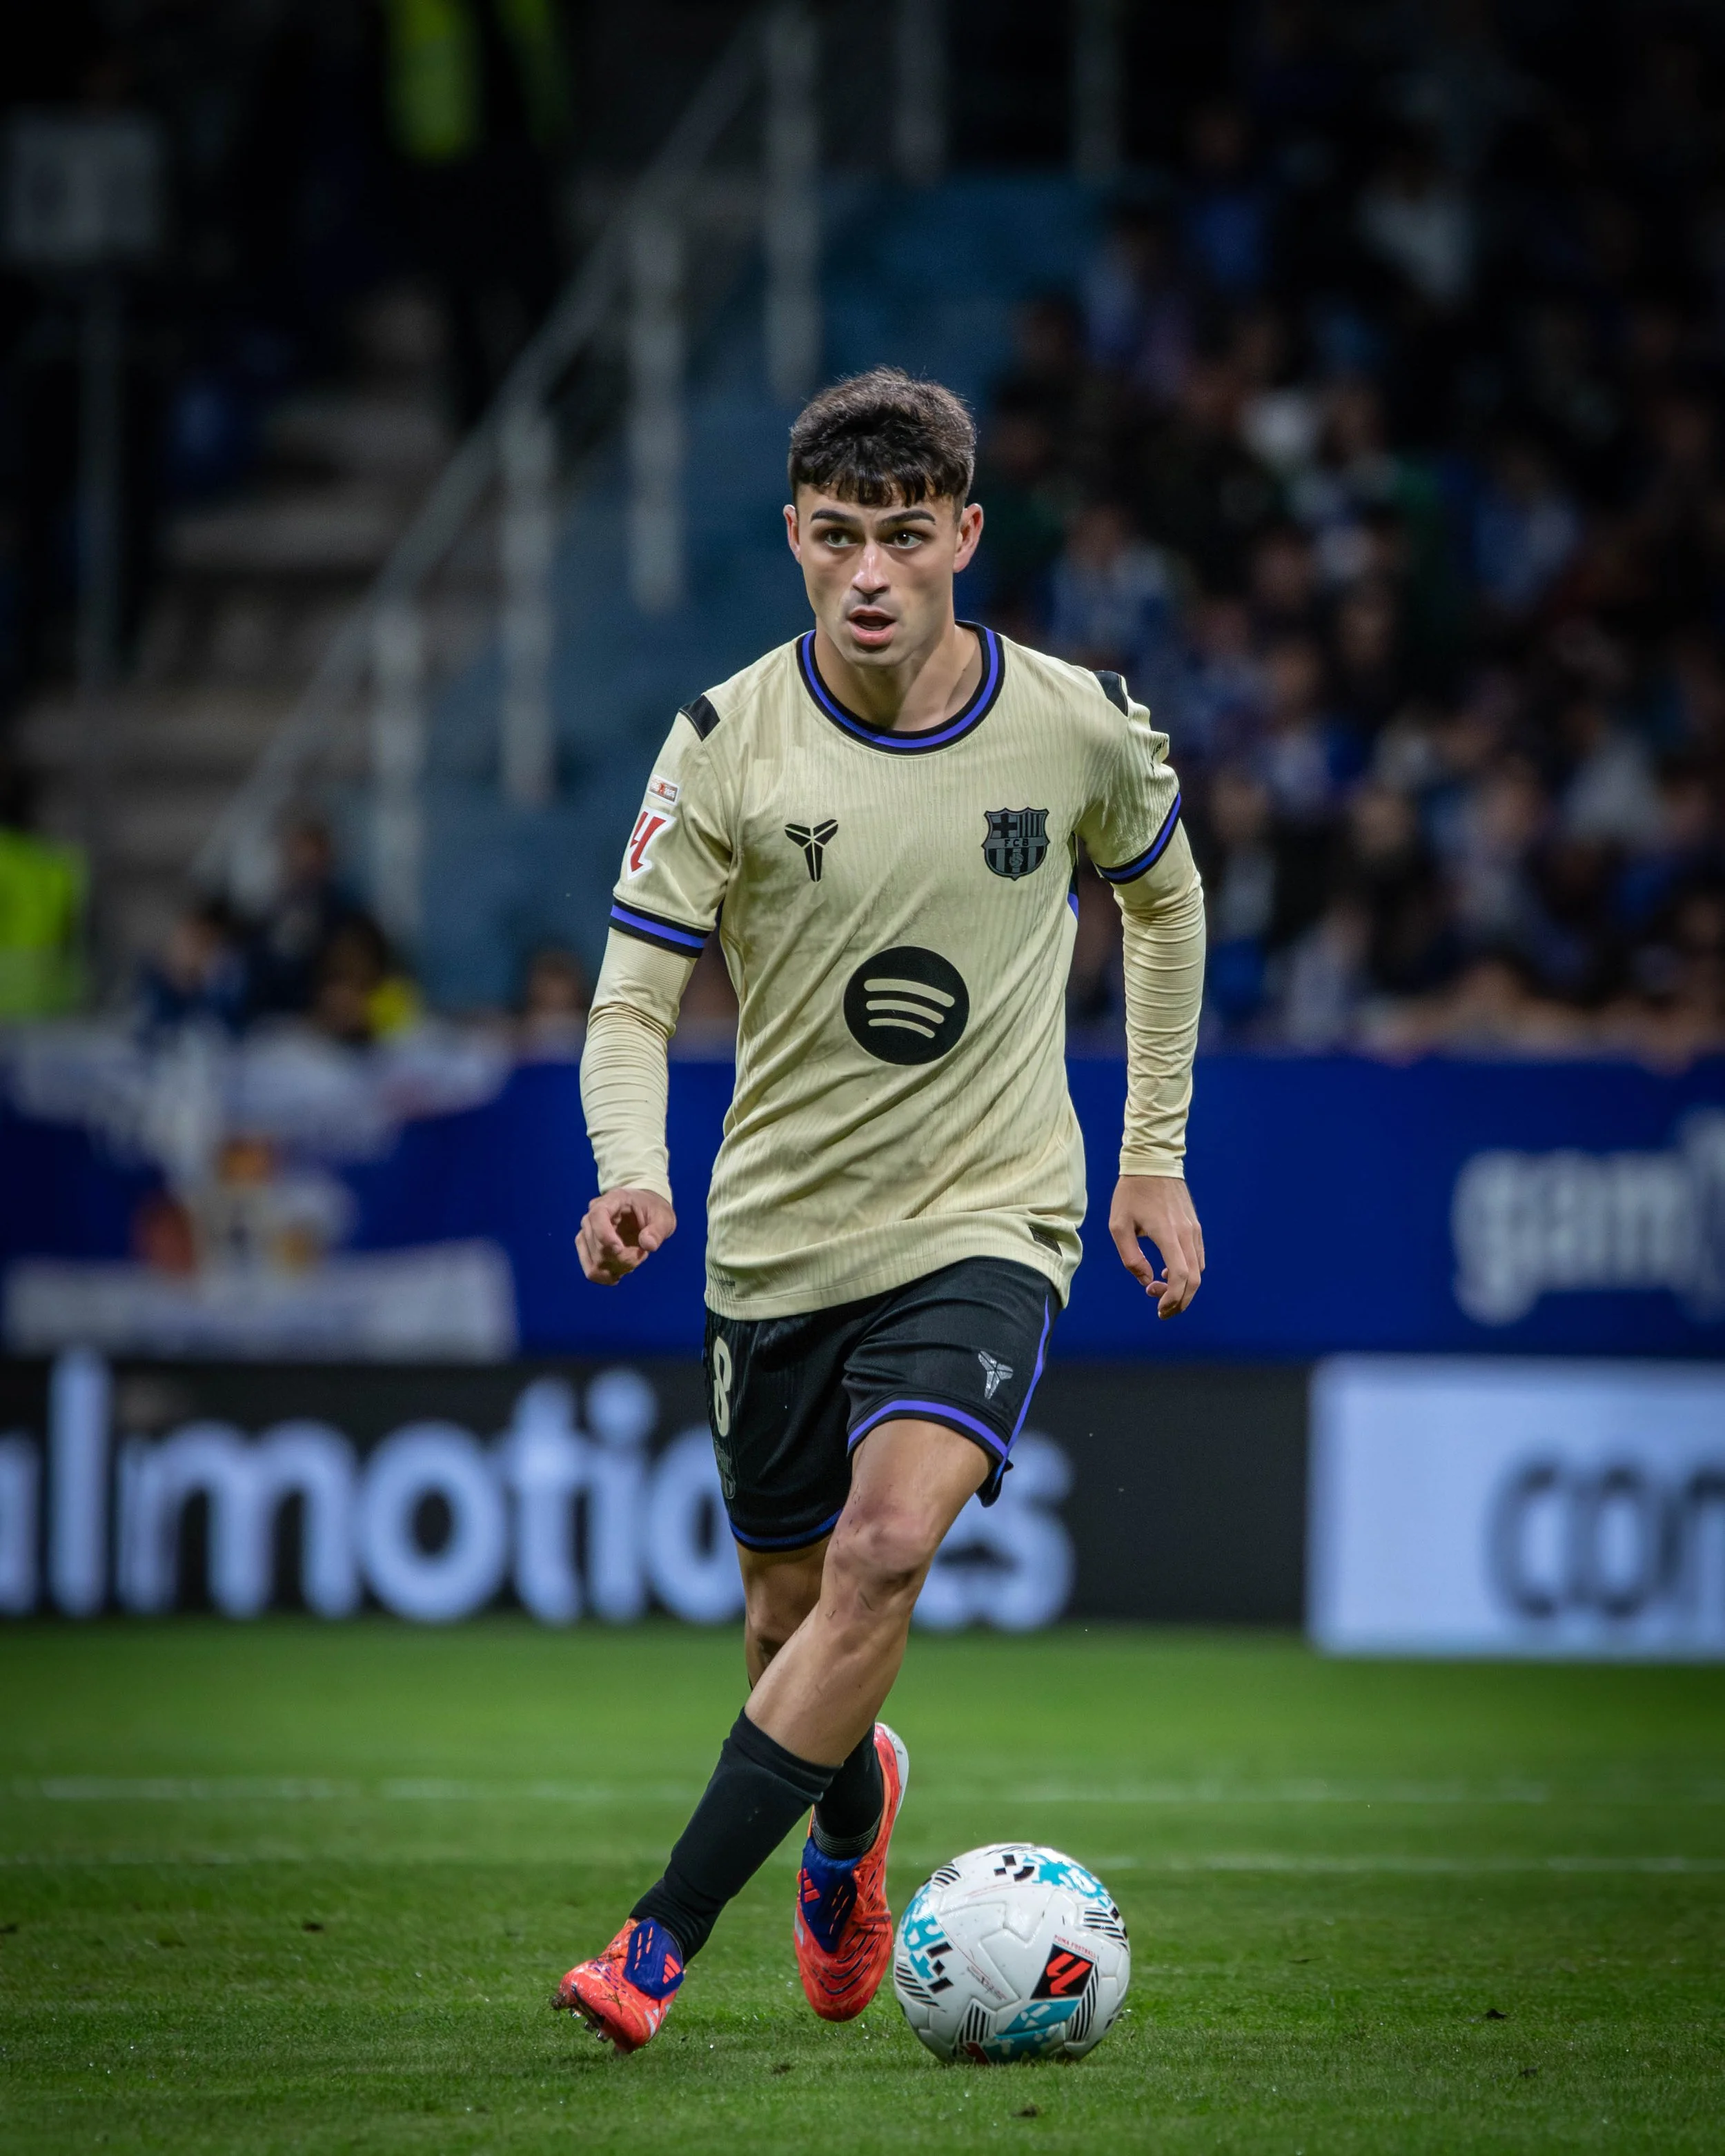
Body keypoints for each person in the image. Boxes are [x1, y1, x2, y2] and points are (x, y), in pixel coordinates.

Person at [559, 369, 1207, 2053]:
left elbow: (1166, 902)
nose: (867, 573)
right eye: (836, 537)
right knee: (790, 1617)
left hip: (991, 1219)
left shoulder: (1071, 723)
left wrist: (1152, 1151)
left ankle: (653, 1939)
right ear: (792, 538)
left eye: (902, 538)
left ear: (961, 536)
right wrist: (630, 1168)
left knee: (882, 1549)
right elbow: (633, 1002)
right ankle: (849, 1819)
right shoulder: (722, 741)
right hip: (775, 1245)